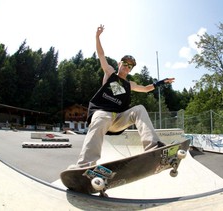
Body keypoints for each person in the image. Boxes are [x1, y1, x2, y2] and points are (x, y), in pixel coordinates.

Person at [71, 24, 175, 169]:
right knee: (102, 118)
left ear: (131, 69)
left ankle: (153, 147)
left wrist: (161, 82)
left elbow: (146, 89)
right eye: (124, 63)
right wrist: (97, 37)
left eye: (129, 66)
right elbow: (101, 55)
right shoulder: (110, 73)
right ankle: (85, 164)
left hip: (118, 119)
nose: (126, 66)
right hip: (102, 114)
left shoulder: (130, 84)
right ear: (119, 63)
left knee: (139, 109)